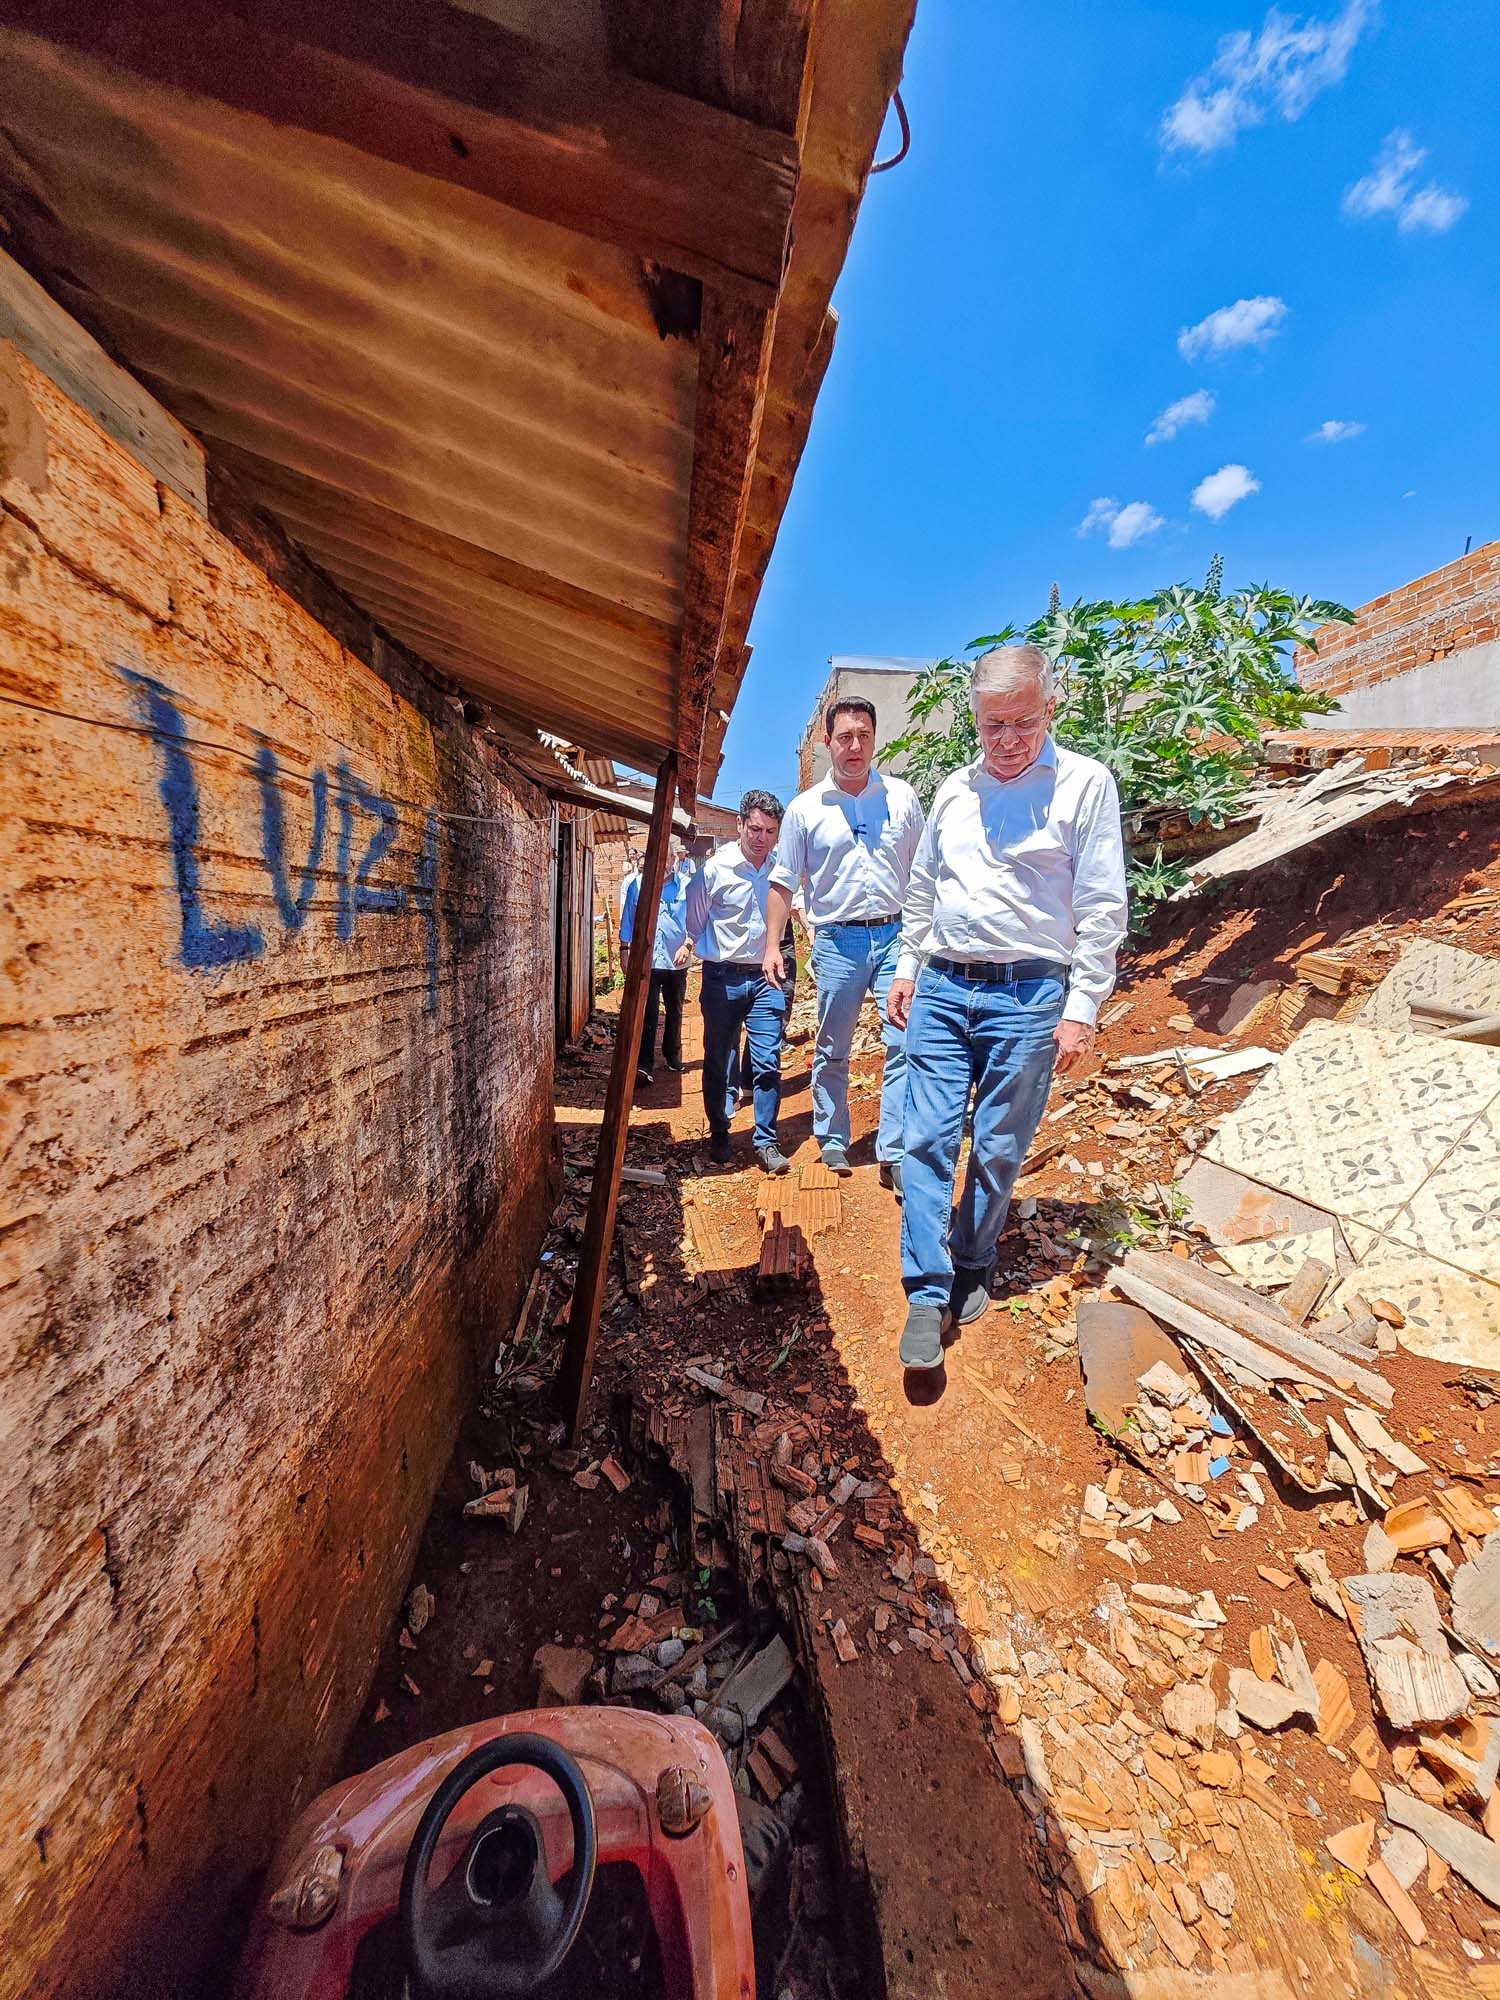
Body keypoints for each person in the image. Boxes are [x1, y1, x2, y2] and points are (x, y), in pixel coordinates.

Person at [885, 645, 1127, 1370]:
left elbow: (1102, 903)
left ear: (1049, 709)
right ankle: (927, 1294)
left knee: (996, 1146)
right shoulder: (955, 792)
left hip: (1029, 996)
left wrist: (1082, 1004)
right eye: (994, 724)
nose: (1009, 739)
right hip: (943, 987)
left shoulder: (1086, 785)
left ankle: (972, 1257)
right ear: (976, 718)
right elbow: (923, 888)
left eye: (1023, 720)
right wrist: (907, 965)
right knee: (924, 1137)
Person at [765, 696, 924, 1191]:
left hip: (897, 934)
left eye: (864, 736)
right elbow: (784, 880)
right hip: (837, 941)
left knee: (902, 1043)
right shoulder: (804, 809)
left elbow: (924, 873)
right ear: (827, 742)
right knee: (833, 1046)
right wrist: (773, 944)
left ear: (875, 739)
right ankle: (833, 1136)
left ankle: (893, 1150)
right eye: (845, 736)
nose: (855, 746)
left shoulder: (902, 798)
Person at [686, 791, 791, 1174]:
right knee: (717, 1059)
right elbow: (694, 922)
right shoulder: (715, 871)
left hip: (766, 980)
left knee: (767, 1061)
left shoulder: (781, 869)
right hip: (722, 980)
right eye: (756, 828)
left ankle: (765, 1141)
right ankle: (719, 1131)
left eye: (771, 831)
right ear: (740, 825)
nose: (762, 837)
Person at [620, 839, 694, 1086]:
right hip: (647, 960)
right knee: (648, 1012)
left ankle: (672, 1055)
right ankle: (644, 1065)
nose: (662, 863)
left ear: (675, 859)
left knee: (675, 1010)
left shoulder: (686, 886)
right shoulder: (637, 885)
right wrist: (624, 949)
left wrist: (688, 944)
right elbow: (628, 919)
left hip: (676, 959)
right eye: (658, 857)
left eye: (667, 858)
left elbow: (696, 921)